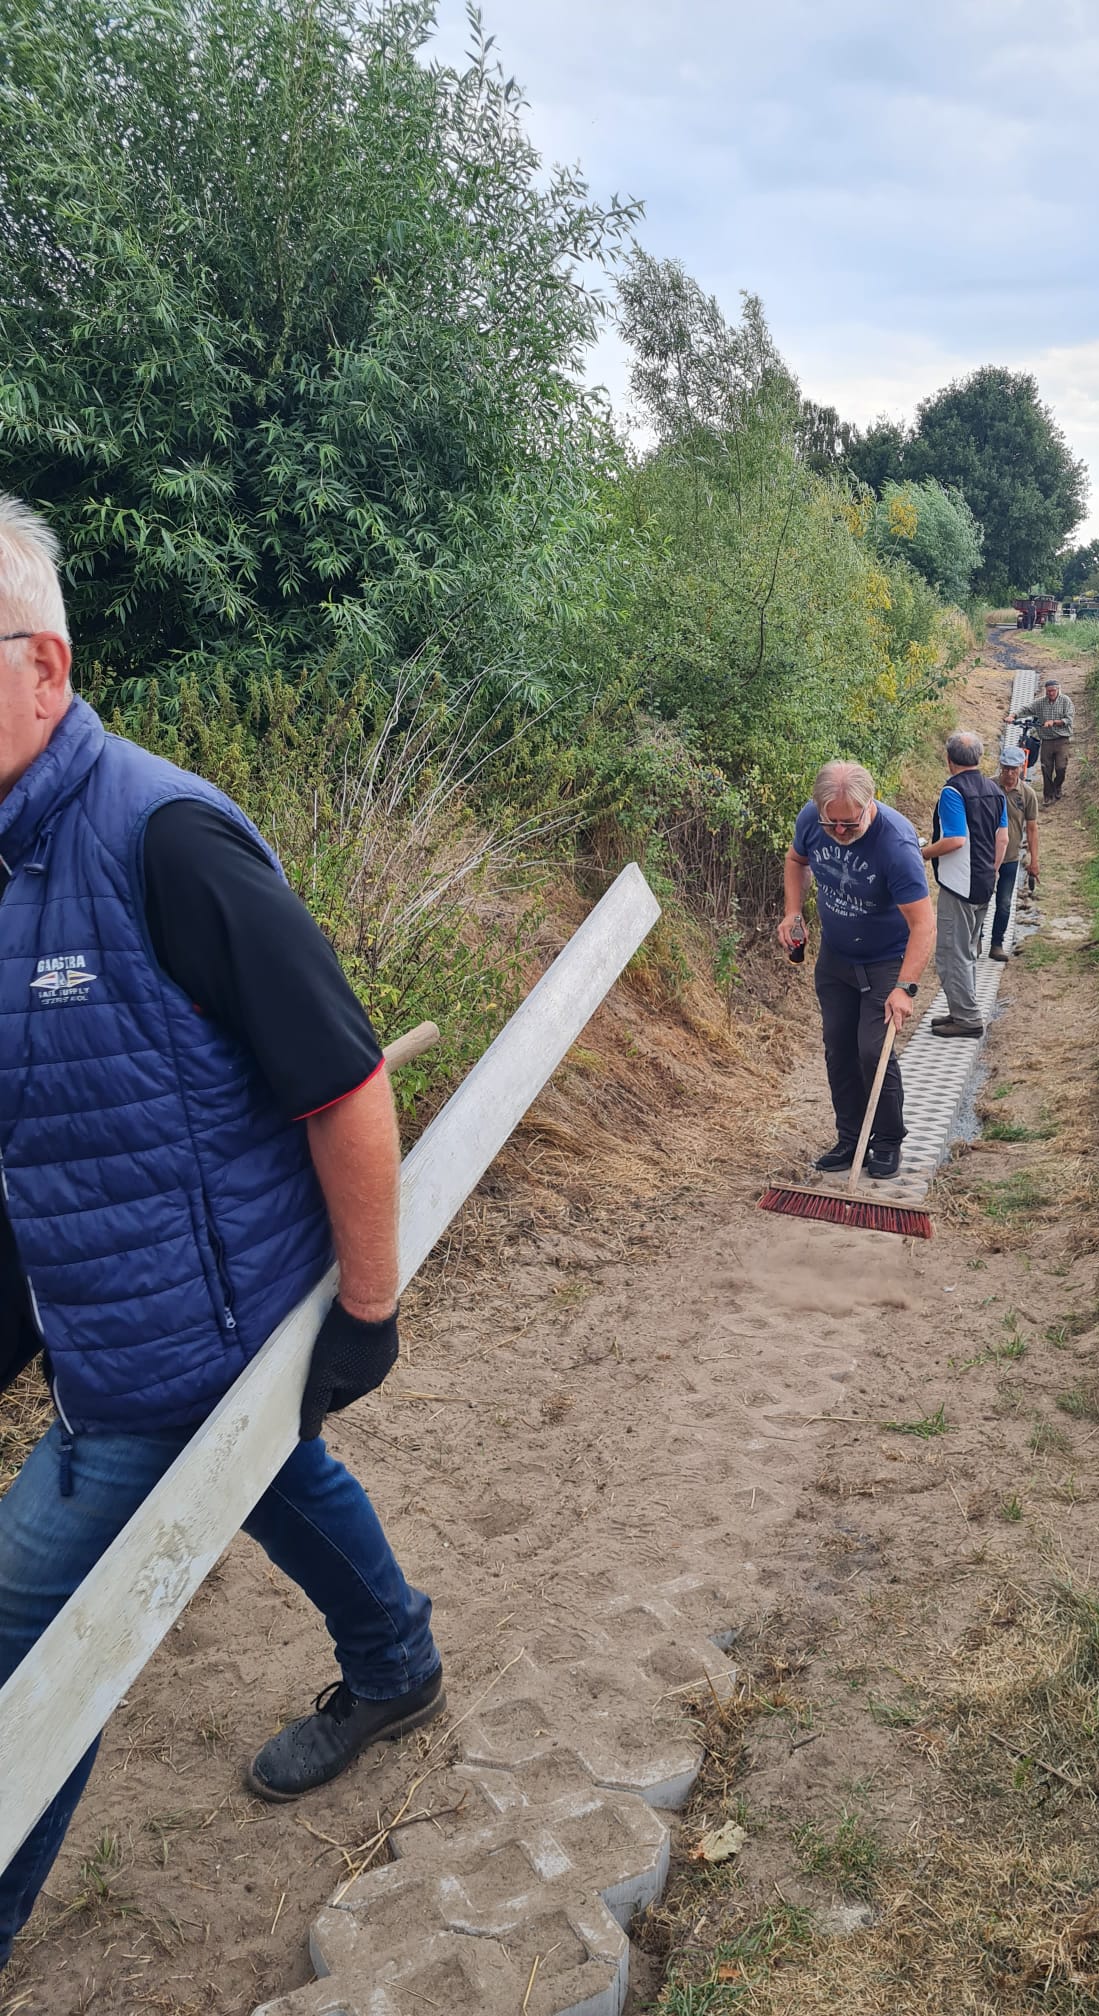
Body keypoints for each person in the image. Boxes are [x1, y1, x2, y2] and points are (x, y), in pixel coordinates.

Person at [0, 495, 443, 1972]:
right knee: (273, 1475)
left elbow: (346, 1081)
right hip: (114, 1329)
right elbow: (44, 1125)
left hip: (191, 1341)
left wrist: (366, 1311)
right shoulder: (7, 859)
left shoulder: (166, 839)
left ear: (46, 667)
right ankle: (396, 1662)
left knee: (29, 1654)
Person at [779, 760, 935, 1182]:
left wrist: (905, 988)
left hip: (886, 959)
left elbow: (924, 924)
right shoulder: (813, 819)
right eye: (832, 823)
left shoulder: (896, 845)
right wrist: (793, 912)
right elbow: (796, 859)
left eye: (850, 824)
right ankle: (851, 1139)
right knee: (839, 1047)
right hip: (837, 956)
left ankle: (887, 1140)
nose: (840, 831)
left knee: (872, 1049)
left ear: (870, 804)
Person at [919, 730, 1007, 1037]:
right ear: (979, 758)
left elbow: (955, 839)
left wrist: (922, 854)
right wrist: (992, 871)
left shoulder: (952, 792)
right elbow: (1003, 839)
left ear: (948, 759)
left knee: (951, 953)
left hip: (959, 885)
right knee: (967, 950)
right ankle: (960, 1010)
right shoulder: (995, 791)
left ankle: (968, 1019)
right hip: (984, 882)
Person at [989, 741, 1040, 961]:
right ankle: (975, 939)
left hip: (1010, 858)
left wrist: (1034, 860)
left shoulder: (1027, 795)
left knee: (1004, 903)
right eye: (1006, 769)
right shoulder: (988, 787)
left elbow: (1032, 828)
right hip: (985, 856)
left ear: (1021, 768)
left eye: (1014, 769)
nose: (1009, 774)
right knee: (979, 901)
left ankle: (996, 943)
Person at [1024, 673, 1074, 802]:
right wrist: (1013, 715)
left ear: (1058, 690)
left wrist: (1054, 722)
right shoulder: (1040, 703)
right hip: (1046, 740)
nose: (1050, 693)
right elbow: (1027, 709)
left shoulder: (1066, 701)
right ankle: (1047, 794)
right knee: (1046, 768)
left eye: (1053, 691)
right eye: (1048, 691)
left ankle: (1057, 787)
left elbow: (1069, 719)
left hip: (1062, 739)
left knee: (1061, 767)